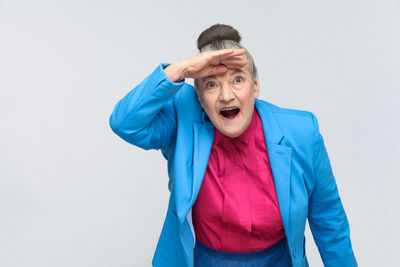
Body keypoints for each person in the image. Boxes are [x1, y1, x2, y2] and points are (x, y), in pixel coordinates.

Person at [109, 24, 357, 267]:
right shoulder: (183, 117)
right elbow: (125, 123)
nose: (226, 95)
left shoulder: (301, 132)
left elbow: (330, 224)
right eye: (211, 84)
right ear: (199, 97)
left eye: (237, 79)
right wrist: (180, 69)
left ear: (256, 86)